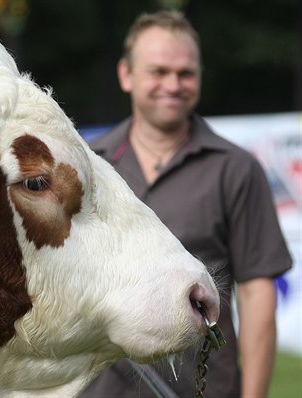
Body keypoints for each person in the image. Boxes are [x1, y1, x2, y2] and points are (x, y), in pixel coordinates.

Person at [79, 10, 292, 398]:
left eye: (186, 73)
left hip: (203, 389)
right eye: (158, 71)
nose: (173, 84)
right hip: (99, 390)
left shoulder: (236, 169)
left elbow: (258, 292)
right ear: (126, 74)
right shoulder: (89, 167)